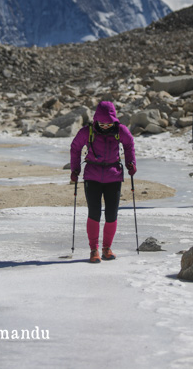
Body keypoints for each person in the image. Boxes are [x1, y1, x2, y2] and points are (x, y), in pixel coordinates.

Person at [70, 100, 136, 263]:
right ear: (96, 119)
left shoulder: (120, 130)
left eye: (108, 123)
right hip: (92, 176)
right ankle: (94, 249)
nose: (105, 126)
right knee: (94, 213)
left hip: (113, 176)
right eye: (102, 123)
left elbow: (129, 145)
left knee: (111, 214)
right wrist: (75, 169)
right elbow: (75, 147)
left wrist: (131, 163)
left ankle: (107, 248)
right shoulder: (88, 131)